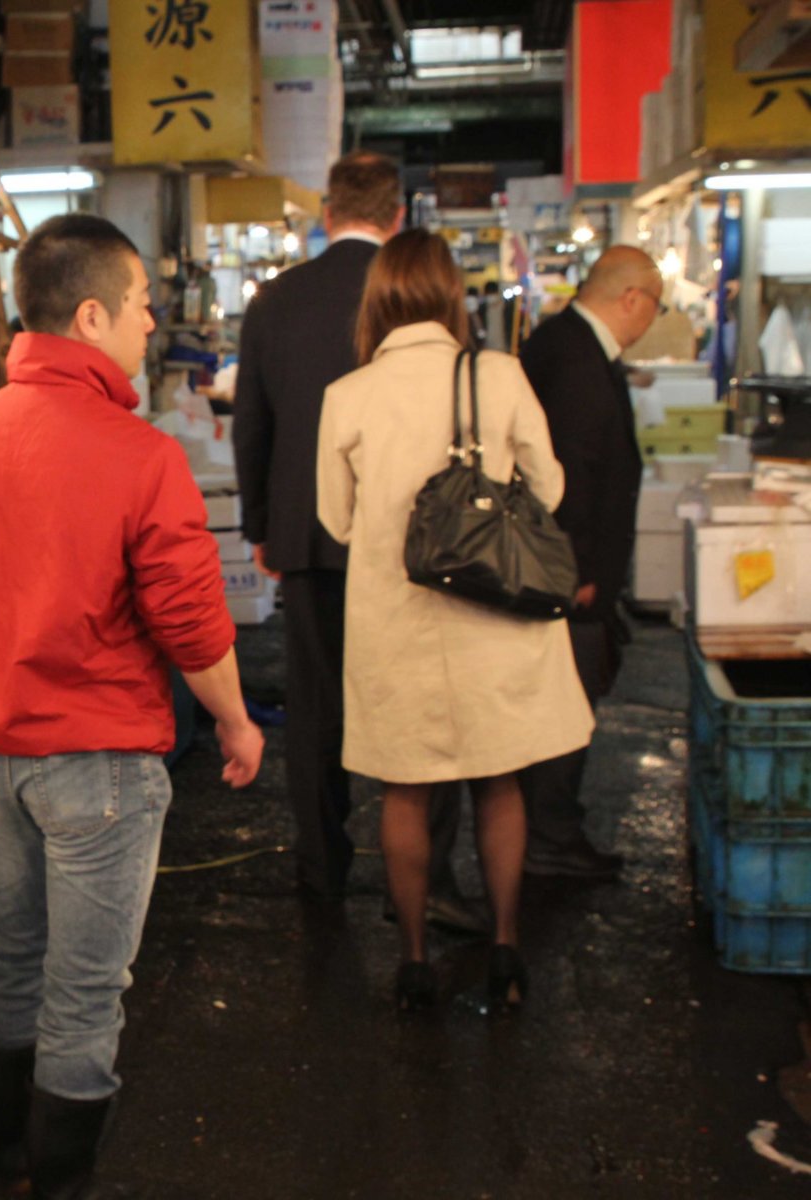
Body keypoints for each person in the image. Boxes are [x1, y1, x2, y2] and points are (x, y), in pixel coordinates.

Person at [0, 213, 264, 1198]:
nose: (152, 326)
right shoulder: (139, 456)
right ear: (92, 314)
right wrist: (233, 717)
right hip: (99, 768)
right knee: (85, 993)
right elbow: (192, 623)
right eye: (142, 307)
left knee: (12, 957)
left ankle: (12, 1165)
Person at [315, 229, 594, 1010]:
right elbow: (550, 489)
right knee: (499, 782)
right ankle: (505, 947)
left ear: (380, 300)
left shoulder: (349, 395)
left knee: (405, 794)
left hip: (395, 625)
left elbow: (334, 521)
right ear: (449, 296)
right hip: (495, 620)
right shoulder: (498, 375)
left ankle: (411, 962)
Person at [232, 152, 480, 932]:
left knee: (316, 706)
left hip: (308, 536)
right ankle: (430, 876)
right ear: (397, 214)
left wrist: (262, 527)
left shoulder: (275, 299)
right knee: (424, 703)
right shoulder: (419, 293)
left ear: (327, 211)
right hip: (418, 541)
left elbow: (252, 426)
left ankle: (323, 868)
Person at [515, 246, 662, 879]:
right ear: (631, 299)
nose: (654, 318)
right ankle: (548, 835)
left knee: (566, 705)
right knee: (563, 710)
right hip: (565, 575)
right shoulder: (573, 356)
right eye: (656, 305)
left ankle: (550, 828)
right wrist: (576, 570)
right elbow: (568, 478)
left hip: (569, 571)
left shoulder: (571, 345)